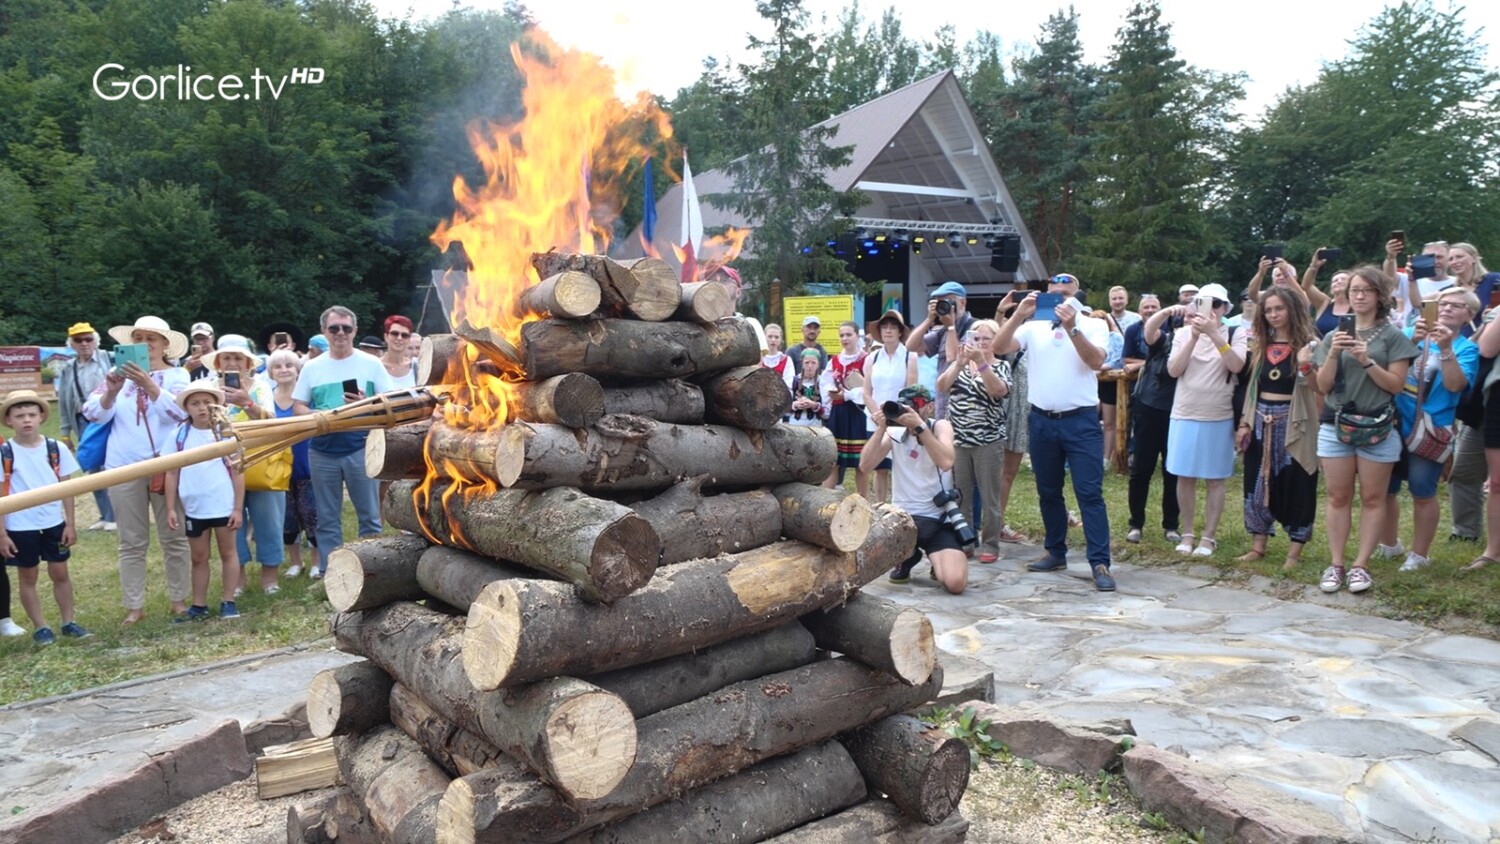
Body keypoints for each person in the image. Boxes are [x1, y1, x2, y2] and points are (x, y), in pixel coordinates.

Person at [992, 273, 1116, 592]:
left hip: (1081, 421)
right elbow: (999, 347)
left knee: (1089, 493)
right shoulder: (1033, 327)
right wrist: (1018, 314)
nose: (1059, 298)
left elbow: (1096, 362)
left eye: (1066, 293)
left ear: (1077, 296)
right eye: (1054, 293)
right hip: (1042, 419)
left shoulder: (1093, 324)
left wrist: (1072, 326)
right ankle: (1055, 551)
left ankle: (1099, 561)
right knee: (1048, 491)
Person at [1312, 266, 1419, 593]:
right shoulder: (1333, 335)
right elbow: (1322, 385)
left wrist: (1366, 360)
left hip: (1378, 425)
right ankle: (1336, 564)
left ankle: (1360, 566)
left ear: (1380, 297)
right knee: (1338, 496)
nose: (1359, 295)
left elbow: (1396, 386)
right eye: (1355, 289)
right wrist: (1332, 354)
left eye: (1366, 290)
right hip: (1336, 422)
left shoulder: (1393, 337)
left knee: (1374, 499)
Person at [83, 315, 193, 624]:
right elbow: (92, 414)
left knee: (174, 536)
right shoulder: (115, 375)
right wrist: (112, 391)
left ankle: (179, 600)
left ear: (164, 344)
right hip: (122, 468)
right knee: (131, 540)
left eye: (152, 338)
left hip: (166, 465)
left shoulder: (177, 375)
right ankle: (134, 606)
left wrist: (149, 384)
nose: (144, 343)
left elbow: (180, 414)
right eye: (138, 338)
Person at [1376, 287, 1479, 572]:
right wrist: (1412, 341)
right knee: (1385, 488)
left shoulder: (1467, 348)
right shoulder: (1411, 333)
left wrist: (1445, 350)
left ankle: (1419, 555)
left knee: (1422, 490)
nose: (1446, 309)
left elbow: (1456, 386)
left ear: (1469, 315)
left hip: (1431, 429)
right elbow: (1383, 367)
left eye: (1456, 306)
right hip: (1394, 422)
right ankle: (1389, 544)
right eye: (1442, 304)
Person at [292, 307, 396, 577]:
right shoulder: (312, 367)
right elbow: (298, 406)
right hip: (322, 451)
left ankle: (372, 572)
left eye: (346, 328)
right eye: (334, 328)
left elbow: (389, 405)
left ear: (355, 331)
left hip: (360, 447)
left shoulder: (371, 364)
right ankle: (333, 574)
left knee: (370, 516)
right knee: (326, 519)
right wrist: (317, 415)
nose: (340, 333)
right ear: (324, 332)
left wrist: (365, 404)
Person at [1235, 287, 1320, 569]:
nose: (1273, 315)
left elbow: (1321, 388)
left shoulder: (1310, 344)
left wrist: (1306, 365)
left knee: (1298, 483)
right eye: (1268, 310)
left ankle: (1294, 553)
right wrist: (1246, 422)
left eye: (1279, 309)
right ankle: (1258, 546)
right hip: (1260, 419)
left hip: (1295, 421)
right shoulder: (1261, 344)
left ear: (1293, 310)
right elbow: (1252, 389)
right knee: (1257, 482)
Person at [1164, 284, 1247, 557]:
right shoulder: (1182, 333)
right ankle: (1187, 534)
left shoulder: (1236, 332)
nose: (1210, 309)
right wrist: (1194, 337)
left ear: (1225, 309)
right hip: (1185, 412)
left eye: (1216, 304)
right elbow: (1174, 370)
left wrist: (1213, 335)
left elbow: (1236, 365)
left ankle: (1208, 537)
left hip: (1219, 414)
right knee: (1184, 477)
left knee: (1215, 479)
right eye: (1203, 303)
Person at [860, 385, 968, 593]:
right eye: (905, 407)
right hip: (903, 520)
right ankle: (909, 557)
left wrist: (920, 428)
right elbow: (865, 466)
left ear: (929, 407)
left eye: (916, 406)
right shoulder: (894, 432)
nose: (910, 412)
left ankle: (933, 559)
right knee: (867, 558)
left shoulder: (940, 426)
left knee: (955, 583)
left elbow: (946, 461)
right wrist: (881, 427)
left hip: (937, 519)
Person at [0, 390, 88, 644]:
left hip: (53, 522)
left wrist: (70, 523)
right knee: (28, 576)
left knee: (60, 572)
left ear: (41, 417)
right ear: (9, 421)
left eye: (31, 414)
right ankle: (41, 627)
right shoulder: (6, 452)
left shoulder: (56, 448)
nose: (26, 420)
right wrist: (3, 533)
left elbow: (68, 489)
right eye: (19, 416)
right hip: (20, 525)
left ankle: (69, 621)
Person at [204, 335, 282, 594]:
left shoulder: (261, 387)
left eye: (238, 357)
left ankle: (269, 578)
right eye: (226, 357)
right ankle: (237, 579)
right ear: (218, 362)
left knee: (267, 520)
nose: (232, 362)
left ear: (248, 362)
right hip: (222, 463)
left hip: (258, 459)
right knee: (231, 521)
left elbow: (271, 420)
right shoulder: (207, 388)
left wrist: (245, 402)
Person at [164, 381, 245, 621]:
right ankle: (199, 604)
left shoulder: (226, 432)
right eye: (195, 403)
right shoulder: (178, 435)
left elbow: (239, 471)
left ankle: (228, 600)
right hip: (194, 508)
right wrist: (170, 507)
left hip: (223, 504)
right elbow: (171, 471)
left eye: (207, 402)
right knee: (198, 557)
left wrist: (238, 508)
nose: (201, 408)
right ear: (187, 407)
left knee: (228, 552)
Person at [936, 319, 1009, 563]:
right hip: (959, 440)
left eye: (986, 339)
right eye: (976, 338)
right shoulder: (961, 365)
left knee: (990, 496)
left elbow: (997, 391)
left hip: (988, 440)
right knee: (962, 495)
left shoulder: (1000, 366)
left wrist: (980, 362)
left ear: (995, 342)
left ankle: (990, 544)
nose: (980, 343)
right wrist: (959, 363)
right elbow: (941, 386)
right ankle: (966, 540)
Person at [1126, 297, 1182, 545]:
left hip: (1180, 412)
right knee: (1141, 469)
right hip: (1149, 407)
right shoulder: (1163, 341)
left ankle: (1171, 525)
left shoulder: (1199, 344)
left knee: (1173, 471)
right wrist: (1169, 310)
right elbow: (1149, 330)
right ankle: (1135, 524)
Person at [55, 322, 115, 531]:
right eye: (78, 340)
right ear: (71, 344)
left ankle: (115, 517)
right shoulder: (68, 368)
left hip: (108, 419)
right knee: (92, 466)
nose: (84, 343)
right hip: (83, 421)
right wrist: (64, 432)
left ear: (96, 341)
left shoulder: (110, 359)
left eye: (88, 339)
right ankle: (105, 515)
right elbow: (64, 400)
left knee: (112, 466)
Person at [268, 350, 317, 578]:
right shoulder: (266, 397)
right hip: (278, 468)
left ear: (298, 369)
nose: (284, 369)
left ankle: (317, 562)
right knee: (287, 518)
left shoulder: (306, 397)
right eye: (278, 366)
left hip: (306, 463)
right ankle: (296, 562)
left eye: (289, 365)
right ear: (271, 372)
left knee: (312, 514)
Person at [862, 309, 918, 502]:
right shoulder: (873, 358)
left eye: (893, 327)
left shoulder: (909, 357)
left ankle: (901, 505)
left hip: (899, 419)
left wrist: (893, 414)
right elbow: (866, 391)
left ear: (900, 332)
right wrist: (877, 413)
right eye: (884, 327)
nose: (888, 331)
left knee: (900, 465)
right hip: (875, 419)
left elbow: (910, 392)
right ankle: (880, 505)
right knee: (879, 467)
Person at [907, 281, 975, 420]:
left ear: (963, 303)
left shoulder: (974, 328)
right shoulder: (943, 330)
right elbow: (911, 346)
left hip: (965, 404)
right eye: (940, 302)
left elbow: (952, 358)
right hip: (943, 401)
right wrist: (928, 319)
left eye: (950, 301)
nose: (945, 306)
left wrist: (951, 327)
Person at [826, 322, 868, 495]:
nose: (845, 338)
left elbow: (869, 387)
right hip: (839, 413)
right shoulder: (834, 360)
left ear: (857, 336)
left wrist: (849, 394)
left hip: (858, 414)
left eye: (849, 334)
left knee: (861, 462)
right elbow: (825, 383)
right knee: (833, 460)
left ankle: (864, 501)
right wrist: (831, 393)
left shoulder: (866, 359)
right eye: (842, 335)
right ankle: (824, 501)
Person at [1449, 242, 1500, 331]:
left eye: (1459, 257)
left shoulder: (1494, 280)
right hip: (1461, 342)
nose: (1454, 262)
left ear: (1473, 258)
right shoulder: (1450, 290)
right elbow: (1419, 303)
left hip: (1490, 338)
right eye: (1450, 259)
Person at [1302, 252, 1352, 338]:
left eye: (1343, 279)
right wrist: (1314, 265)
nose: (1338, 281)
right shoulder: (1324, 303)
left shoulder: (1358, 305)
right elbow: (1306, 286)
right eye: (1335, 280)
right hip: (1321, 350)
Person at [786, 349, 830, 432]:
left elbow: (827, 414)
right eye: (806, 362)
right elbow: (785, 409)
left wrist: (814, 405)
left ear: (818, 364)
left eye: (813, 363)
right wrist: (795, 405)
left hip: (816, 427)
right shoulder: (793, 381)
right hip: (795, 427)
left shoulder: (823, 382)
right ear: (802, 363)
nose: (810, 366)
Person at [381, 316, 418, 388]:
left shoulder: (416, 367)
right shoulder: (376, 366)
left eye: (404, 335)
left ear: (409, 339)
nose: (399, 338)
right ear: (386, 337)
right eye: (395, 333)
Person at [760, 323, 795, 391]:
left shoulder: (787, 360)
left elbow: (788, 384)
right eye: (770, 336)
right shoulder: (758, 359)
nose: (773, 340)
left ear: (780, 339)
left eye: (776, 337)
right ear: (764, 337)